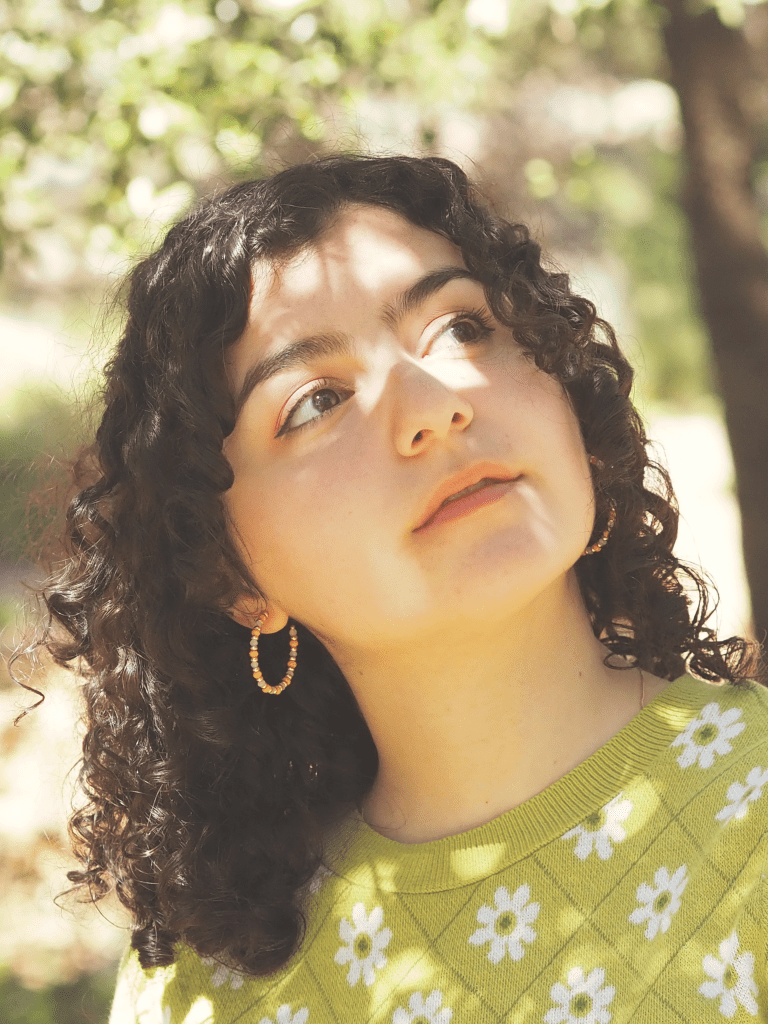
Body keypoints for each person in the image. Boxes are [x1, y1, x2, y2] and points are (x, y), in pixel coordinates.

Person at [36, 154, 765, 1023]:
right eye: (317, 401)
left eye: (461, 327)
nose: (433, 404)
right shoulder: (205, 984)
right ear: (230, 575)